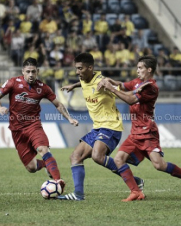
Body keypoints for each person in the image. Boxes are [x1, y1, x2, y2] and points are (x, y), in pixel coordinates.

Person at [97, 55, 181, 202]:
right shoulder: (137, 82)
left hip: (148, 132)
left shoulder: (150, 87)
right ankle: (136, 192)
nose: (137, 70)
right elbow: (122, 85)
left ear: (149, 69)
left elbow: (130, 99)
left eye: (140, 68)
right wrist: (110, 81)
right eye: (137, 67)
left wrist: (111, 88)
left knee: (159, 165)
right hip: (135, 132)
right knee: (119, 159)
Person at [57, 53, 144, 201]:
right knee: (75, 157)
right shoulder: (84, 79)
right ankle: (78, 195)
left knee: (98, 156)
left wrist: (137, 91)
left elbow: (126, 92)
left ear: (90, 68)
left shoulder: (103, 83)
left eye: (80, 69)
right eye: (76, 69)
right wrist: (73, 85)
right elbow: (85, 83)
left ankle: (134, 183)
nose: (77, 72)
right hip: (97, 128)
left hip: (111, 126)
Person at [0, 57, 79, 192]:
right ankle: (46, 165)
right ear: (23, 71)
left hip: (34, 125)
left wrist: (69, 118)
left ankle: (58, 181)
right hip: (17, 130)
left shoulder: (43, 88)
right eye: (28, 71)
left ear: (37, 71)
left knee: (43, 149)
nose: (31, 75)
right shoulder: (13, 83)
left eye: (33, 71)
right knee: (31, 168)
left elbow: (58, 104)